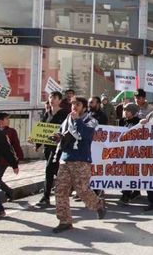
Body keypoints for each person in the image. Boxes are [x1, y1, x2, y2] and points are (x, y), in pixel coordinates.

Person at [51, 96, 106, 233]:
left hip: (81, 160)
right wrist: (57, 136)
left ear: (84, 107)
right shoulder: (68, 119)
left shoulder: (91, 120)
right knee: (60, 190)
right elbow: (62, 132)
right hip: (65, 159)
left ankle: (98, 204)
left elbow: (87, 135)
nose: (74, 107)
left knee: (82, 190)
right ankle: (65, 221)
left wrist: (78, 120)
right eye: (73, 104)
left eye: (78, 104)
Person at [36, 91, 69, 207]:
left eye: (54, 97)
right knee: (55, 171)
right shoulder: (47, 113)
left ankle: (46, 197)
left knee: (49, 169)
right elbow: (42, 129)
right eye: (50, 97)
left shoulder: (65, 113)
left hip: (59, 147)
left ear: (60, 100)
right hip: (48, 147)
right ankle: (72, 186)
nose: (52, 99)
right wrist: (37, 143)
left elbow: (69, 129)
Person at [0, 113, 23, 207]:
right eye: (7, 119)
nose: (9, 121)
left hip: (4, 160)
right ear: (0, 121)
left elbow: (16, 145)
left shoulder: (11, 131)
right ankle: (9, 191)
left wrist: (19, 158)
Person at [118, 103, 141, 205]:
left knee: (131, 172)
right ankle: (131, 192)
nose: (125, 112)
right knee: (126, 173)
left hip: (135, 151)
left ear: (134, 112)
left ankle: (127, 194)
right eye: (124, 110)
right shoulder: (122, 121)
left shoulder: (138, 122)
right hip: (124, 151)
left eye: (128, 110)